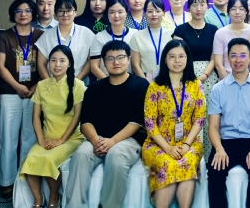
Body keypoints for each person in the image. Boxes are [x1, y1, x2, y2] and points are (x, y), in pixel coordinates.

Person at [65, 40, 150, 208]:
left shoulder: (141, 85)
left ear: (128, 59)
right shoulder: (94, 89)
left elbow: (137, 121)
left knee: (116, 155)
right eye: (110, 58)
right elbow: (86, 122)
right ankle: (74, 205)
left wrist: (113, 141)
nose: (116, 62)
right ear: (103, 62)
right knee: (81, 155)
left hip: (128, 141)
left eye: (120, 57)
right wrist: (96, 141)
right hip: (98, 139)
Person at [142, 40, 207, 208]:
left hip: (189, 142)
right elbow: (150, 123)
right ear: (165, 59)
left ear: (188, 59)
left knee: (188, 161)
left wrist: (186, 145)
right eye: (172, 57)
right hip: (158, 144)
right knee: (168, 163)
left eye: (181, 56)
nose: (177, 61)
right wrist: (168, 148)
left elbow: (199, 118)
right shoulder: (155, 86)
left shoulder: (195, 85)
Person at [208, 38, 250, 208]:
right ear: (228, 58)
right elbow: (213, 126)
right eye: (233, 55)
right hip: (225, 143)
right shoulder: (218, 89)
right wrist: (219, 149)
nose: (238, 60)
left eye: (243, 55)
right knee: (214, 172)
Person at [20, 45, 86, 208]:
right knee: (30, 160)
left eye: (62, 61)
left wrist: (61, 140)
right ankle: (38, 200)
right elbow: (35, 117)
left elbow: (78, 116)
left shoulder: (78, 85)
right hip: (47, 137)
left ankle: (54, 196)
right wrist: (41, 140)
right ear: (48, 63)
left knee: (49, 159)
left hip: (71, 138)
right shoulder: (42, 85)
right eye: (53, 60)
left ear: (69, 63)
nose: (57, 65)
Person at [0, 0, 42, 198]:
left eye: (28, 10)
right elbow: (0, 66)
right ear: (12, 14)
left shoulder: (41, 35)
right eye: (18, 11)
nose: (23, 14)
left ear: (33, 13)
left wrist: (35, 87)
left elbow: (45, 65)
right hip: (9, 93)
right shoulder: (4, 36)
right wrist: (17, 87)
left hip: (35, 94)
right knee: (8, 139)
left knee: (30, 139)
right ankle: (7, 182)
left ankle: (25, 180)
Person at [172, 0, 219, 159]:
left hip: (209, 78)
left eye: (202, 4)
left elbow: (215, 57)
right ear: (188, 7)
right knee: (188, 116)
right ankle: (188, 157)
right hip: (185, 76)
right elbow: (178, 56)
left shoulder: (213, 30)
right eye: (194, 4)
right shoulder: (181, 30)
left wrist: (204, 75)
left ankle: (209, 158)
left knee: (208, 117)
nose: (198, 8)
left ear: (207, 6)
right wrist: (189, 76)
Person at [35, 0, 94, 82]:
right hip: (53, 84)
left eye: (69, 10)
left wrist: (76, 82)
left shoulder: (87, 33)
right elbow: (41, 64)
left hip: (80, 83)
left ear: (75, 12)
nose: (65, 14)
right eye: (61, 11)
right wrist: (52, 84)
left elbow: (91, 61)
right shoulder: (46, 36)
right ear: (55, 14)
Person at [213, 0, 250, 79]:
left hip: (249, 79)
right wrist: (227, 83)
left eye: (241, 9)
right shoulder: (220, 33)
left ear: (246, 11)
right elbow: (218, 65)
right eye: (233, 9)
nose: (237, 12)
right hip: (226, 79)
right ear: (228, 11)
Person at [90, 0, 134, 79]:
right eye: (112, 12)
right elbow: (94, 67)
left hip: (130, 82)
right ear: (107, 14)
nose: (116, 16)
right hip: (105, 82)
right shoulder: (99, 37)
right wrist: (110, 84)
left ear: (126, 13)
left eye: (120, 12)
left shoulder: (135, 35)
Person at [131, 0, 168, 82]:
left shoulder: (171, 34)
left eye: (158, 11)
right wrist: (145, 83)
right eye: (150, 11)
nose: (154, 14)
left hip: (167, 79)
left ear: (164, 13)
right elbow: (135, 66)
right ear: (145, 14)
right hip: (144, 80)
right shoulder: (137, 36)